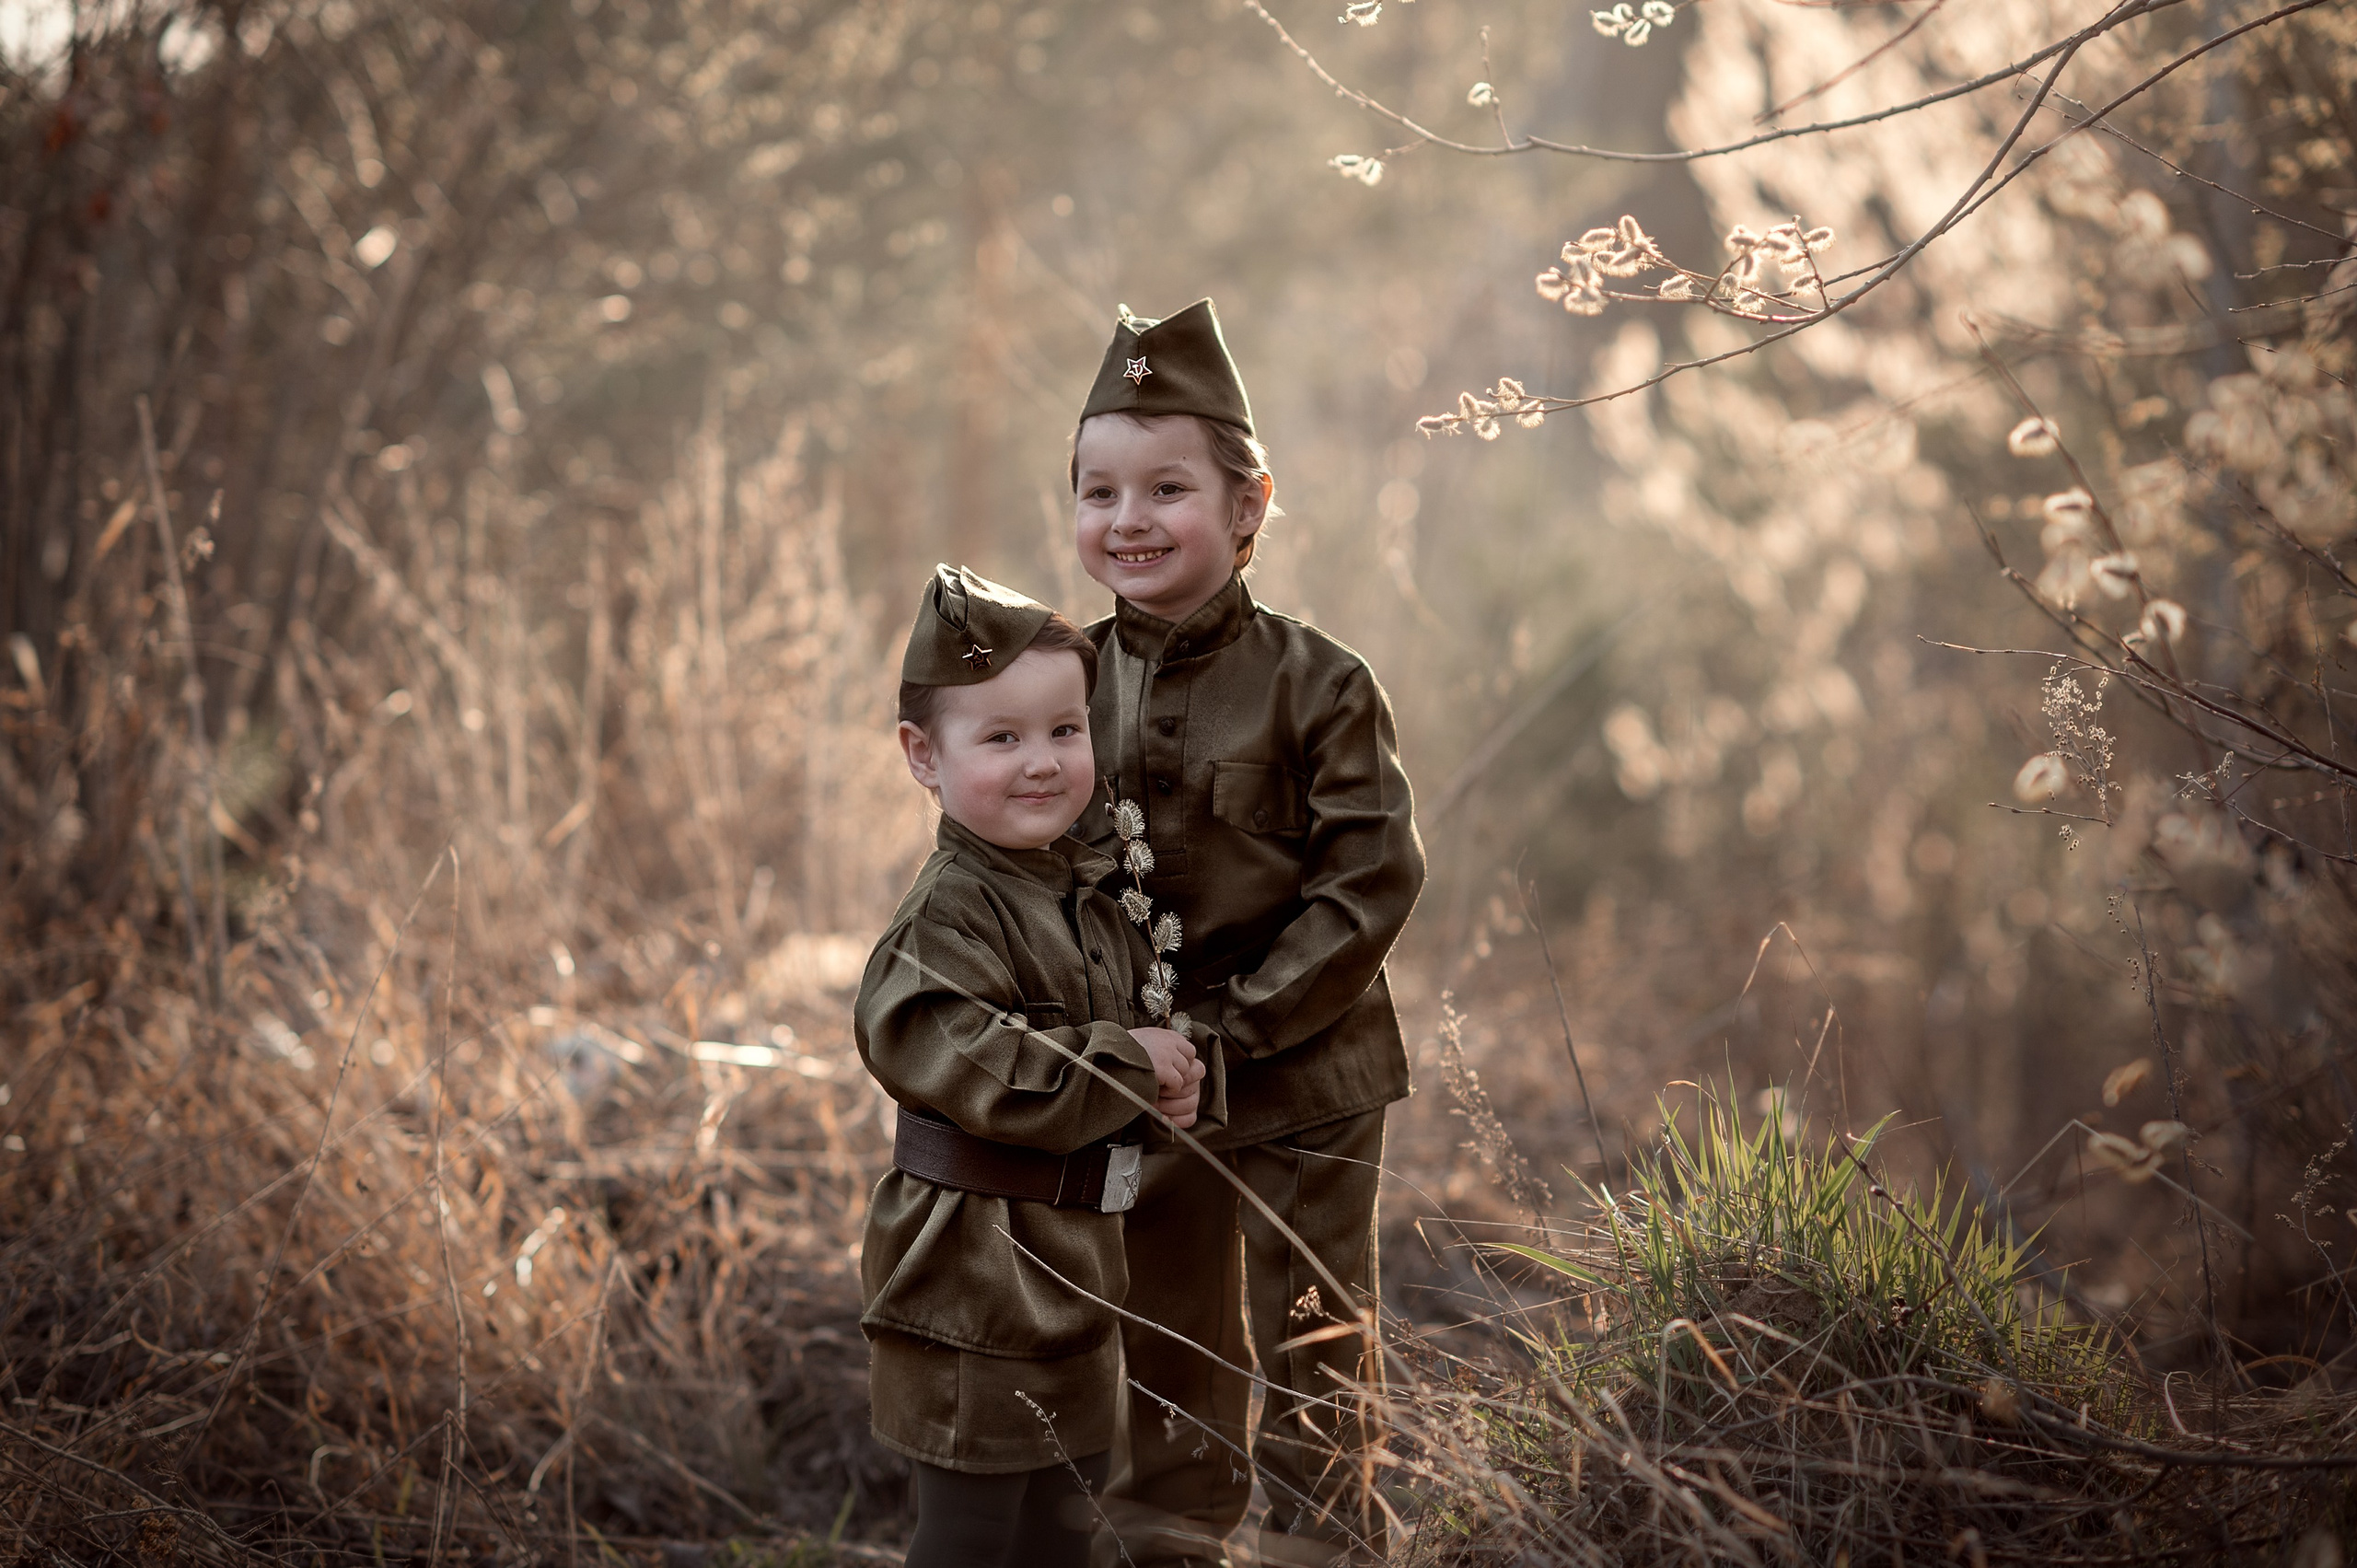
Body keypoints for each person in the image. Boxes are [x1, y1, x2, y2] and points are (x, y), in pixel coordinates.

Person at [1068, 302, 1426, 1566]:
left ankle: (1327, 1540)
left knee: (1314, 1327)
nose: (1130, 518)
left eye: (1167, 488)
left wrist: (1232, 1031)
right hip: (1141, 1076)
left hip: (1304, 1069)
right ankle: (1171, 1538)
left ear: (1248, 503)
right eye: (1099, 490)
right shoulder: (1058, 685)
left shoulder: (1320, 682)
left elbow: (1371, 877)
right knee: (1161, 1321)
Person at [855, 563, 1226, 1568]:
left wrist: (1166, 1080)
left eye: (1065, 730)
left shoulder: (1085, 894)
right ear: (924, 755)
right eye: (1001, 737)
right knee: (973, 1536)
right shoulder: (946, 916)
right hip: (973, 1286)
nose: (1042, 763)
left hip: (1077, 1280)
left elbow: (1127, 1044)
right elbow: (981, 1066)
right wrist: (1124, 1063)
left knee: (1062, 1530)